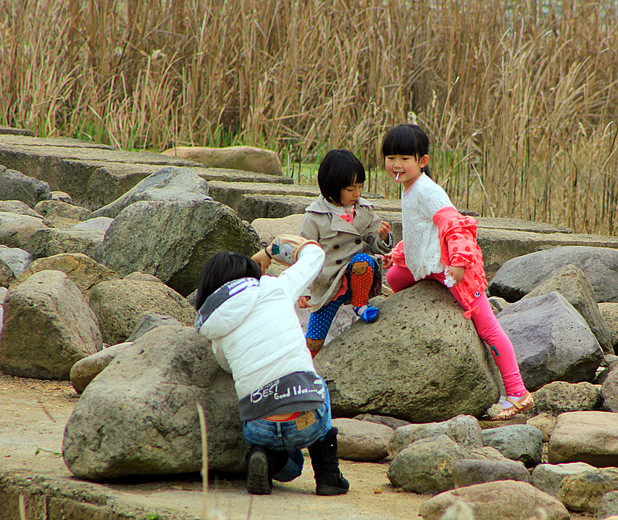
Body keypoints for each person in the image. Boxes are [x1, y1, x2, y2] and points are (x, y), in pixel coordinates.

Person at [381, 123, 534, 421]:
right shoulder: (408, 186)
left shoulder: (427, 190)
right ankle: (427, 299)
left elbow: (454, 225)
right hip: (431, 268)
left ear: (422, 161)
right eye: (390, 158)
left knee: (487, 326)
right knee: (394, 278)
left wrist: (461, 264)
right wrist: (398, 254)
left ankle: (517, 392)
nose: (396, 165)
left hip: (456, 270)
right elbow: (419, 231)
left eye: (404, 158)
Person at [193, 235, 349, 496]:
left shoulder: (214, 327)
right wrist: (271, 249)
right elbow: (314, 254)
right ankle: (328, 475)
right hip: (306, 419)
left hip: (259, 424)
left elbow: (228, 366)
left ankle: (264, 456)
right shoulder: (275, 287)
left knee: (290, 467)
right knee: (315, 383)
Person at [298, 149, 393, 357]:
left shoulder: (363, 210)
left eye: (360, 187)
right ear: (332, 187)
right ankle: (305, 367)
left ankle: (360, 304)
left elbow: (374, 243)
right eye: (351, 189)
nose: (357, 193)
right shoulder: (315, 217)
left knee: (363, 261)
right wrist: (303, 290)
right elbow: (302, 254)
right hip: (329, 285)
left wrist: (383, 237)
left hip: (358, 277)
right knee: (314, 341)